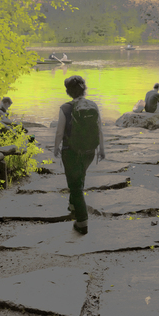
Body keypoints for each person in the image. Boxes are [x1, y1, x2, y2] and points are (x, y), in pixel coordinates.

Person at [53, 75, 106, 235]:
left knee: (75, 186)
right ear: (84, 89)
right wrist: (101, 149)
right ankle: (73, 205)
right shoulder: (93, 105)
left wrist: (56, 148)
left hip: (71, 151)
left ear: (68, 92)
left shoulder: (65, 108)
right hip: (89, 151)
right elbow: (99, 129)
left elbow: (59, 132)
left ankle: (82, 223)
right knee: (79, 175)